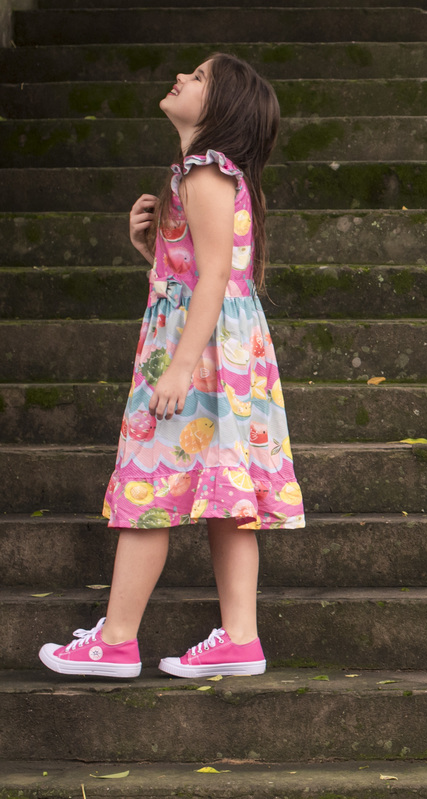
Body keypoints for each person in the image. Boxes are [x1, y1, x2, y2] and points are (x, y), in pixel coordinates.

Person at [38, 54, 305, 679]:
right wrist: (153, 250)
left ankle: (117, 640)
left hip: (198, 356)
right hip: (227, 355)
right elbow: (206, 274)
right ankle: (240, 637)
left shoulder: (202, 173)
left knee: (146, 482)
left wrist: (180, 368)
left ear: (220, 109)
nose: (182, 78)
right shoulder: (218, 175)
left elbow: (213, 276)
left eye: (200, 77)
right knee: (227, 496)